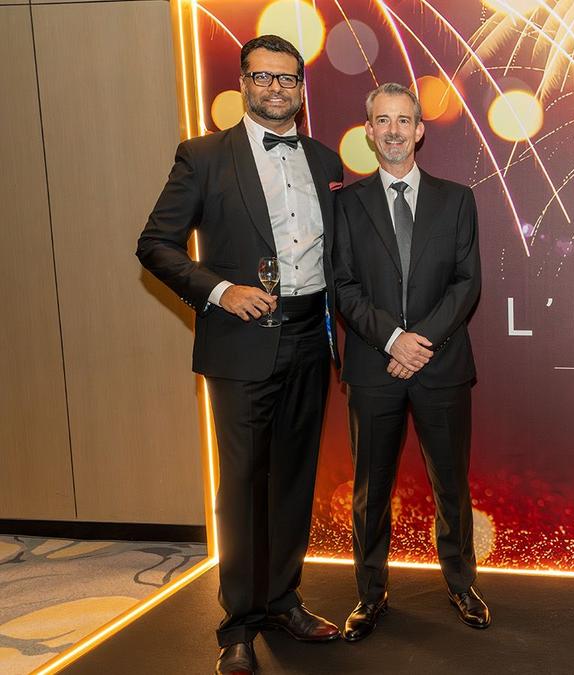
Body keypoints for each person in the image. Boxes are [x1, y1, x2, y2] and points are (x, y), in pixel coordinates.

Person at [136, 34, 343, 675]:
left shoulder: (325, 157)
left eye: (288, 78)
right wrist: (222, 291)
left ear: (301, 88)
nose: (277, 88)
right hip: (242, 340)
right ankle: (238, 624)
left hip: (310, 337)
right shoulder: (203, 156)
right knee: (243, 486)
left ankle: (283, 600)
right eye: (264, 76)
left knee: (294, 480)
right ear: (244, 82)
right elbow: (156, 244)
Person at [333, 82, 487, 642]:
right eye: (383, 120)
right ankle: (370, 595)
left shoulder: (458, 199)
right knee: (370, 491)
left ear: (420, 130)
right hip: (373, 368)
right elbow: (343, 287)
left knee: (451, 486)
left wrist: (418, 342)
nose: (394, 130)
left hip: (441, 366)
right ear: (368, 131)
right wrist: (393, 340)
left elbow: (467, 284)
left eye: (404, 120)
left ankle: (462, 585)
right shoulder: (345, 204)